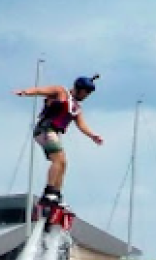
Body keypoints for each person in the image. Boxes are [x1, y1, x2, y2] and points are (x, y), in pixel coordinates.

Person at [16, 75, 104, 213]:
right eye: (85, 93)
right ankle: (49, 193)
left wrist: (93, 135)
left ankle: (56, 194)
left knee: (63, 163)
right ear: (79, 89)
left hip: (54, 132)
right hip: (45, 129)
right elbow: (40, 90)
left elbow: (82, 125)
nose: (86, 97)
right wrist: (26, 92)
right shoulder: (60, 91)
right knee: (58, 160)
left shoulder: (76, 107)